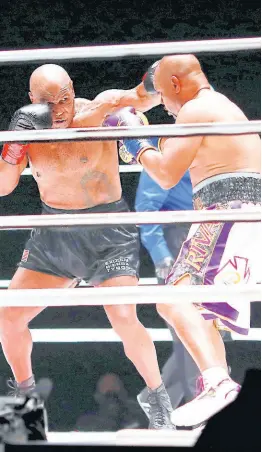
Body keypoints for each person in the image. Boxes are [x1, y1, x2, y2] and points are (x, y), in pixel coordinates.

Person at [0, 63, 177, 430]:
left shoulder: (97, 110)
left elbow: (139, 98)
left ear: (73, 90)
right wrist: (13, 145)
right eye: (50, 103)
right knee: (8, 316)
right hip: (54, 232)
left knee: (124, 318)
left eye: (65, 98)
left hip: (107, 232)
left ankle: (158, 399)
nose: (61, 109)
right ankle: (25, 405)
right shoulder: (28, 129)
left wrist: (154, 79)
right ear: (32, 100)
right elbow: (3, 186)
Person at [112, 54, 261, 427]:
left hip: (225, 211)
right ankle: (218, 384)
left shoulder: (197, 110)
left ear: (176, 85)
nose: (165, 104)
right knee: (199, 308)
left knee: (172, 299)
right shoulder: (220, 106)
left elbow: (164, 174)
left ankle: (219, 384)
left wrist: (136, 141)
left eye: (163, 95)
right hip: (234, 212)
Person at [135, 169, 201, 415]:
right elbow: (146, 203)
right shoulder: (169, 144)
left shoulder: (213, 141)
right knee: (192, 325)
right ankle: (199, 401)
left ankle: (159, 399)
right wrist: (161, 254)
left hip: (209, 233)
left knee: (205, 327)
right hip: (180, 237)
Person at [75, 373, 147, 431]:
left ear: (124, 395)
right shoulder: (86, 422)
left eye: (117, 395)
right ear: (97, 397)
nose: (113, 400)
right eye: (108, 395)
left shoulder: (138, 418)